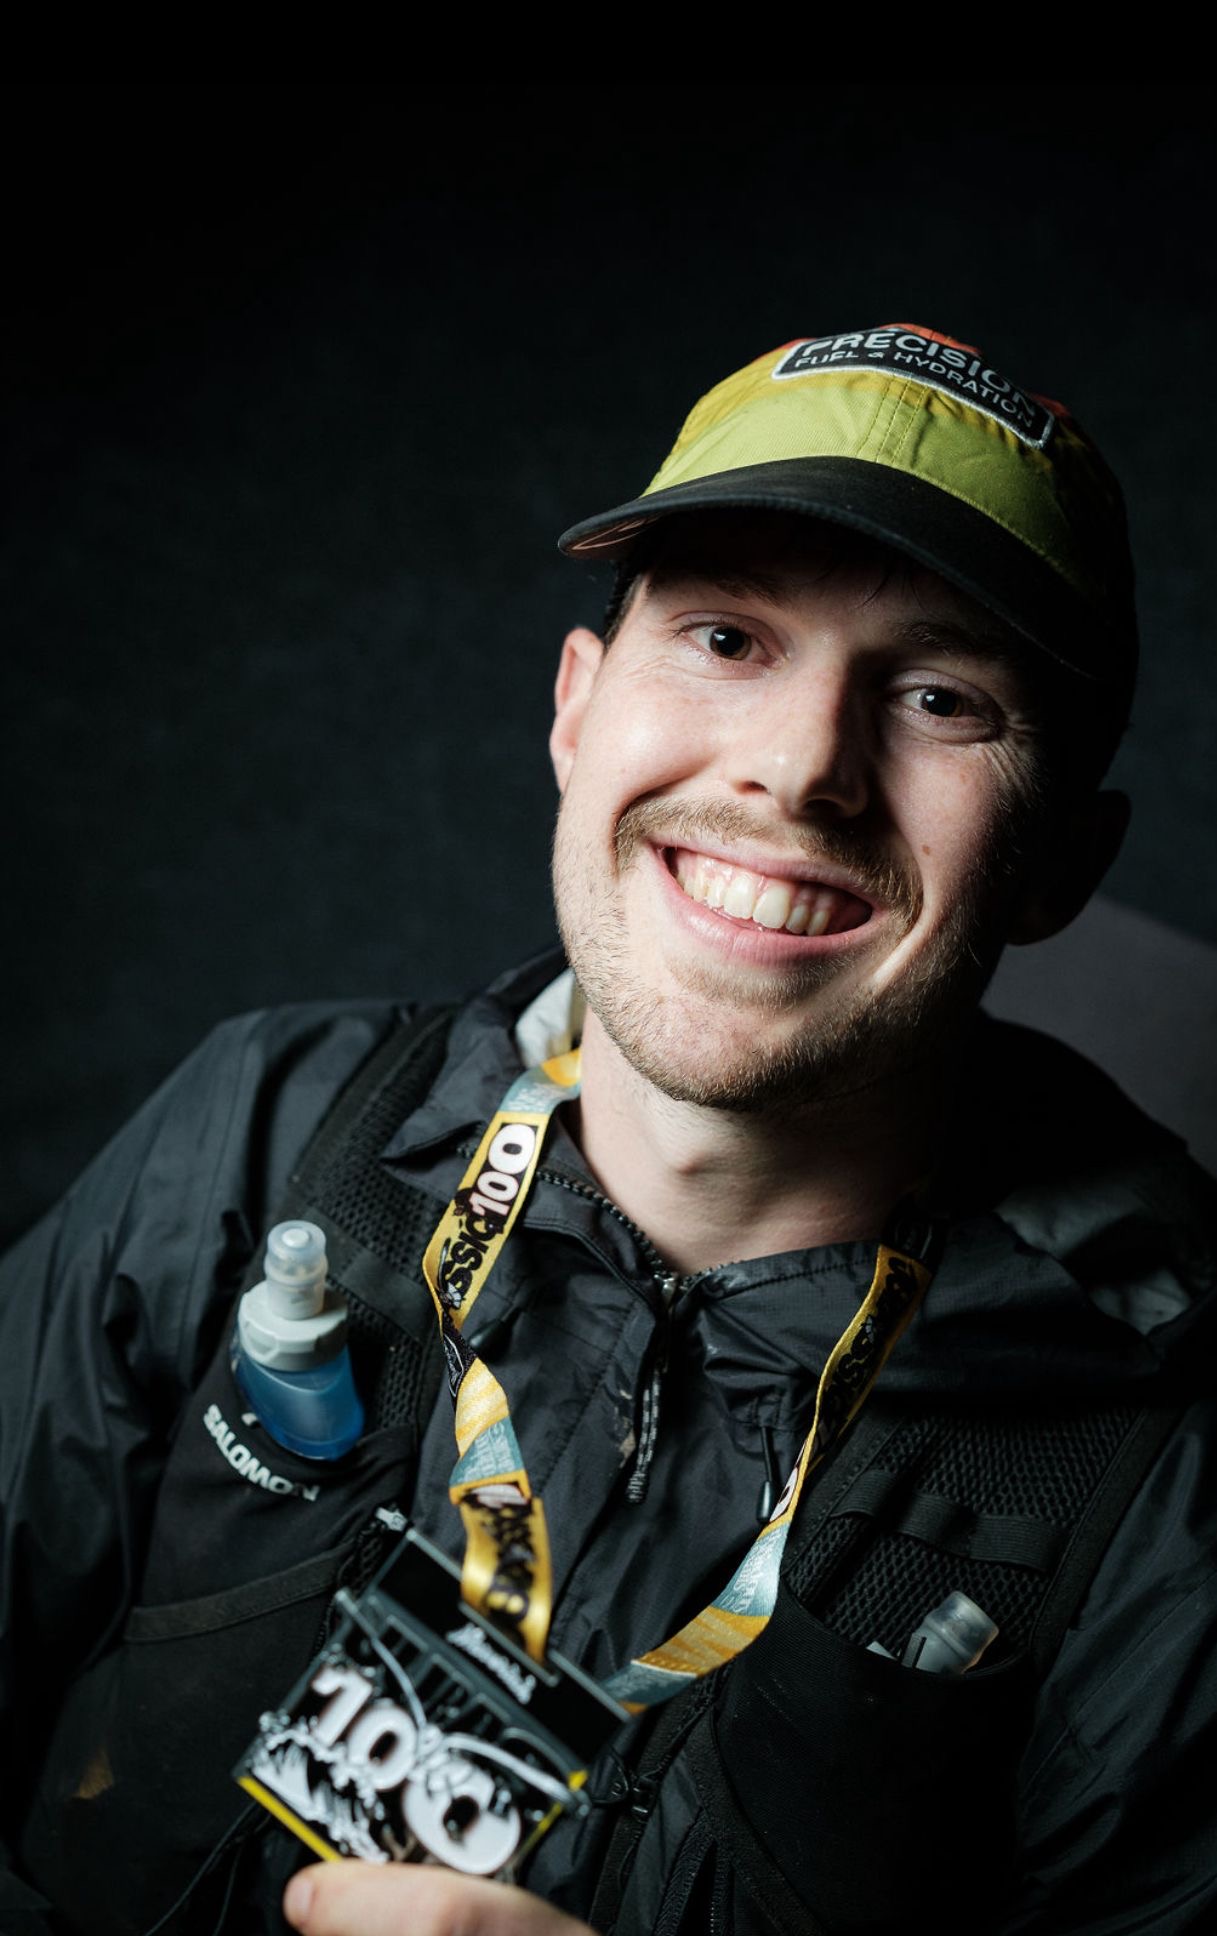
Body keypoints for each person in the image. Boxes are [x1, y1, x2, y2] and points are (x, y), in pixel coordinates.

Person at [4, 323, 1215, 1936]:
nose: (799, 767)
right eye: (725, 637)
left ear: (1060, 860)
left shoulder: (1163, 1437)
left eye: (939, 696)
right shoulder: (270, 1123)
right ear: (577, 710)